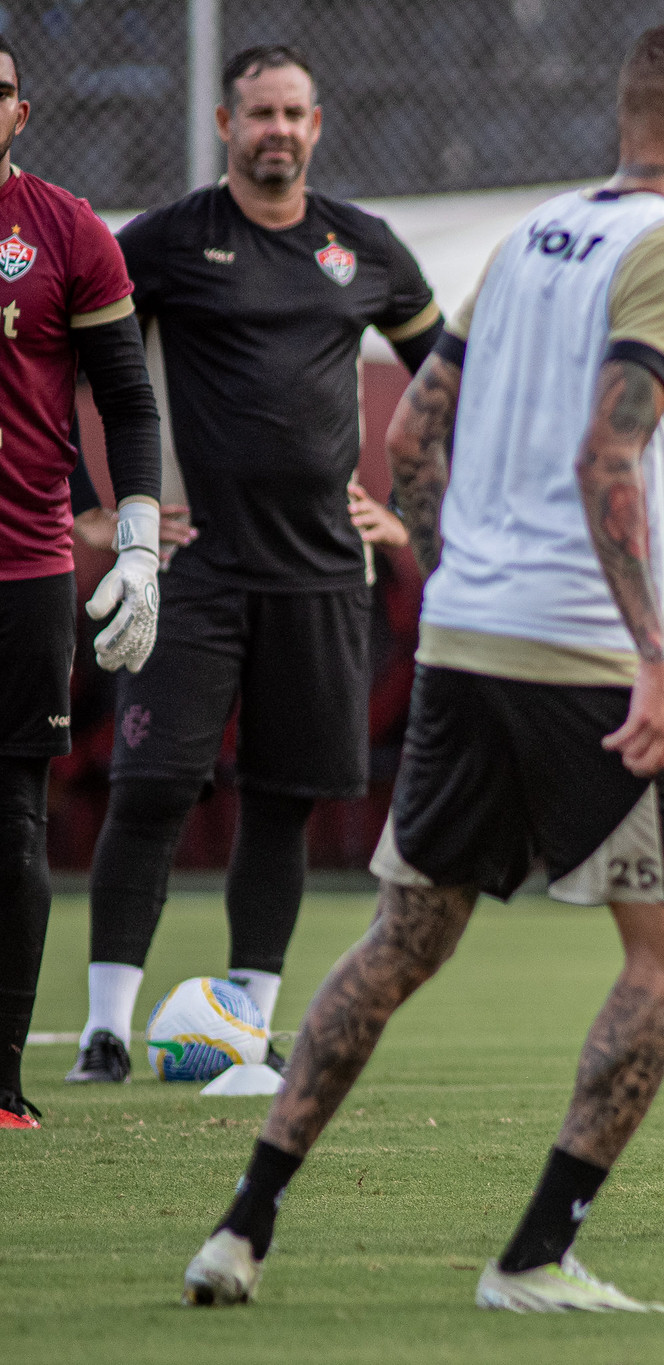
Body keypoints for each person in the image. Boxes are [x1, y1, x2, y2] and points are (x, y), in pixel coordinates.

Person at [181, 22, 664, 1311]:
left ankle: (239, 1232)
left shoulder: (531, 237)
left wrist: (456, 582)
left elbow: (415, 436)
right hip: (588, 652)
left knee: (404, 936)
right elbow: (612, 463)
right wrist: (656, 658)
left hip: (467, 638)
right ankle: (535, 1259)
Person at [66, 45, 445, 1084]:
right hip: (194, 572)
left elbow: (451, 379)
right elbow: (63, 368)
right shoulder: (170, 242)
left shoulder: (361, 247)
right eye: (258, 114)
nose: (276, 129)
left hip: (323, 576)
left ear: (316, 125)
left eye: (293, 112)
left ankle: (247, 1030)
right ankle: (104, 1030)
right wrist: (98, 512)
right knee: (151, 789)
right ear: (226, 126)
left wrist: (409, 513)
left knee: (283, 801)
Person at [0, 32, 166, 1129]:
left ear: (19, 110)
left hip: (23, 564)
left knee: (13, 818)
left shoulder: (66, 231)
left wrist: (141, 540)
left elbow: (127, 398)